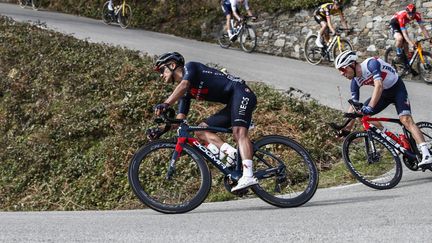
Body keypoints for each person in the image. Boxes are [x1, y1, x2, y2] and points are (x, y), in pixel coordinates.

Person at [153, 52, 258, 191]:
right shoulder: (185, 93)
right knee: (200, 131)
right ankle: (231, 153)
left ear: (172, 65)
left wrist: (166, 104)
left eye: (162, 70)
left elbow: (184, 84)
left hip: (242, 93)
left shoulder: (191, 68)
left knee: (239, 133)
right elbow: (180, 119)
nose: (161, 75)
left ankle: (249, 175)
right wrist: (161, 130)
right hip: (233, 103)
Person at [334, 50, 432, 167]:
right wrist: (347, 128)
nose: (341, 73)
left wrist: (370, 107)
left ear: (352, 64)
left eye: (343, 69)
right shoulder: (355, 82)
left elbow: (379, 85)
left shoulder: (371, 64)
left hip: (397, 90)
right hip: (384, 95)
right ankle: (393, 139)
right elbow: (354, 106)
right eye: (339, 71)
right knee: (362, 116)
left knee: (406, 120)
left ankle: (427, 154)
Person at [389, 3, 431, 75]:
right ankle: (399, 54)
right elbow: (404, 34)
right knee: (400, 38)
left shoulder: (417, 15)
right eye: (409, 14)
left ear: (415, 12)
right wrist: (411, 44)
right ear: (407, 12)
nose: (411, 16)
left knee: (406, 46)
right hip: (395, 23)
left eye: (412, 14)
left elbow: (423, 28)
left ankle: (407, 65)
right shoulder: (402, 16)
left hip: (402, 25)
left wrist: (429, 39)